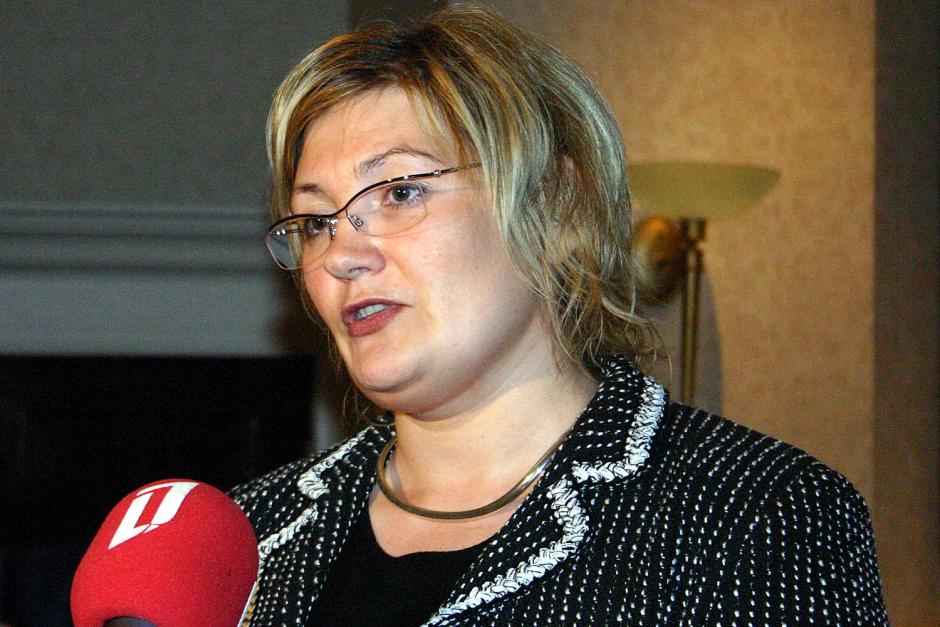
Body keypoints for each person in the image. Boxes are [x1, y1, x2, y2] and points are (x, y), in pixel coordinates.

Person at [231, 5, 888, 625]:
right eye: (314, 222)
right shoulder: (247, 531)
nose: (342, 255)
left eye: (400, 192)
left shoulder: (757, 514)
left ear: (558, 210)